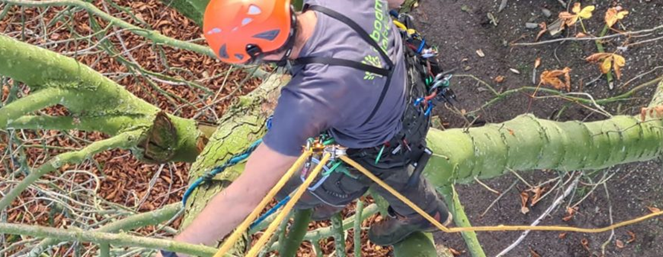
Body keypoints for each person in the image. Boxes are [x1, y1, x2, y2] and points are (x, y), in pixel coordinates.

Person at [159, 0, 453, 255]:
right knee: (382, 156)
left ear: (259, 51)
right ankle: (416, 206)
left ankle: (419, 213)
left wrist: (175, 252)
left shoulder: (308, 101)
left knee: (290, 188)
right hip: (412, 84)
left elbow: (244, 196)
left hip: (384, 144)